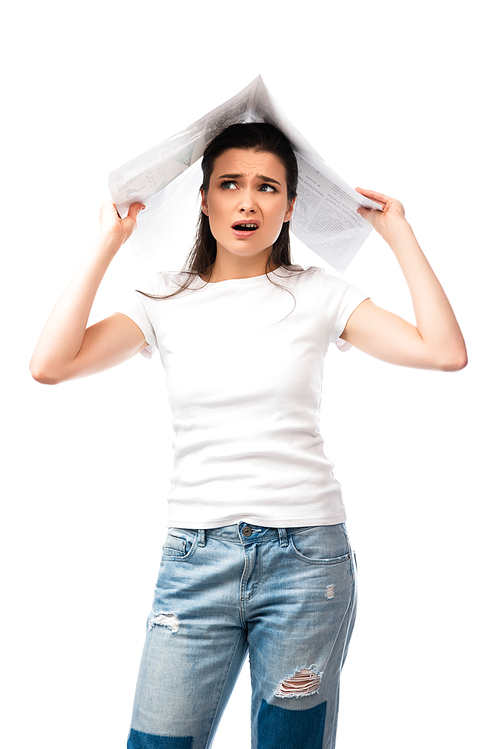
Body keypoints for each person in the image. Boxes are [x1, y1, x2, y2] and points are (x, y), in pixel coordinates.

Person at [30, 122, 467, 749]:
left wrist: (400, 235)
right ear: (203, 199)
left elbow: (445, 353)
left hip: (306, 562)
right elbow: (51, 365)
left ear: (290, 208)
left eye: (268, 188)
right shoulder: (161, 298)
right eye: (229, 184)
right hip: (194, 561)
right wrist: (108, 241)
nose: (247, 202)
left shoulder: (318, 293)